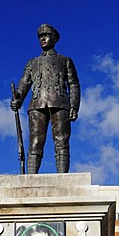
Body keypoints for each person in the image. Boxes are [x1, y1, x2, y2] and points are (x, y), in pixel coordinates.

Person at [10, 24, 80, 174]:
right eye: (40, 37)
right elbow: (24, 82)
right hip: (37, 104)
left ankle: (62, 177)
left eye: (46, 36)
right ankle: (31, 177)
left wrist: (74, 106)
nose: (42, 39)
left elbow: (74, 83)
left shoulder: (65, 60)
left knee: (61, 141)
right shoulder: (32, 62)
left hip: (60, 102)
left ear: (54, 39)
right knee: (35, 142)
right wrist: (18, 99)